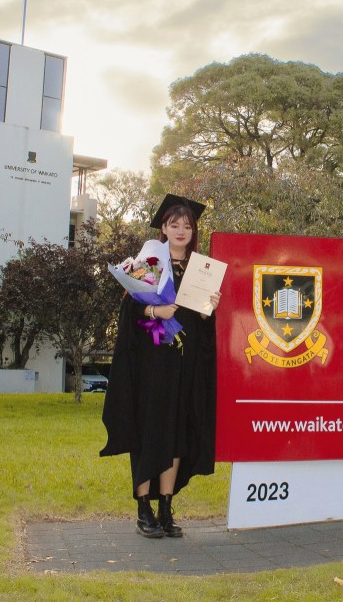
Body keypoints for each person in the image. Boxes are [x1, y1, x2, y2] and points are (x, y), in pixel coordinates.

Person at [100, 194, 220, 538]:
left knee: (178, 435)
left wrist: (208, 309)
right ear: (163, 228)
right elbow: (130, 310)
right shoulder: (150, 262)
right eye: (174, 224)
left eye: (187, 226)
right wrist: (155, 310)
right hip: (152, 368)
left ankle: (166, 508)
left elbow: (201, 324)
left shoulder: (200, 270)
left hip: (185, 367)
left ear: (193, 231)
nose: (181, 230)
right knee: (149, 431)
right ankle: (144, 510)